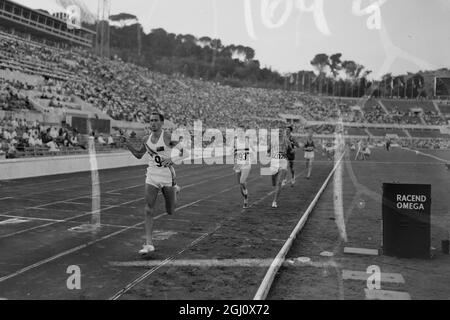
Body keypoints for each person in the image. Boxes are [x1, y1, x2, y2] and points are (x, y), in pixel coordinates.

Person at [124, 112, 187, 256]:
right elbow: (139, 155)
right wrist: (128, 144)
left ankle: (175, 191)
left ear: (161, 123)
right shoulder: (146, 138)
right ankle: (149, 243)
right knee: (148, 209)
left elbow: (185, 153)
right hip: (151, 174)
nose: (152, 123)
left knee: (170, 210)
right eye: (150, 120)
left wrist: (171, 161)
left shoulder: (168, 136)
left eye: (155, 121)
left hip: (167, 175)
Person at [268, 128, 291, 208]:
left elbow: (290, 150)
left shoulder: (286, 141)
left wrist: (287, 152)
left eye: (281, 131)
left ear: (283, 133)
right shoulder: (273, 141)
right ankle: (275, 184)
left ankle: (274, 201)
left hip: (283, 162)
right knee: (274, 182)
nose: (279, 133)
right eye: (278, 132)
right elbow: (268, 149)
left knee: (279, 183)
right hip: (274, 161)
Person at [233, 129, 255, 209]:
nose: (240, 133)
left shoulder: (248, 140)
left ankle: (246, 196)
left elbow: (253, 151)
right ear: (237, 133)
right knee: (240, 185)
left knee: (242, 181)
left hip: (246, 164)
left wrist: (251, 158)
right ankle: (245, 198)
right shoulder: (234, 141)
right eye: (238, 132)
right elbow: (232, 152)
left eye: (242, 132)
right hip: (238, 164)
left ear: (244, 133)